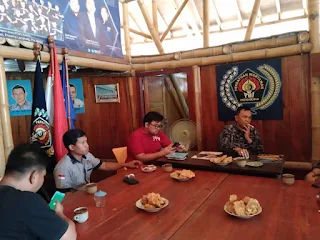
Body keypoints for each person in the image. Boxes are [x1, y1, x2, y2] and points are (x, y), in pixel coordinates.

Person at [0, 143, 77, 240]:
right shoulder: (25, 200)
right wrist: (59, 213)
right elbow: (69, 237)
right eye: (43, 176)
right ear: (34, 176)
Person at [53, 129, 142, 192]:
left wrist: (126, 165)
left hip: (89, 192)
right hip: (75, 199)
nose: (87, 145)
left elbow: (105, 166)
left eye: (86, 142)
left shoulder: (87, 155)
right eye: (82, 143)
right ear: (71, 147)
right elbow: (64, 194)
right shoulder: (63, 167)